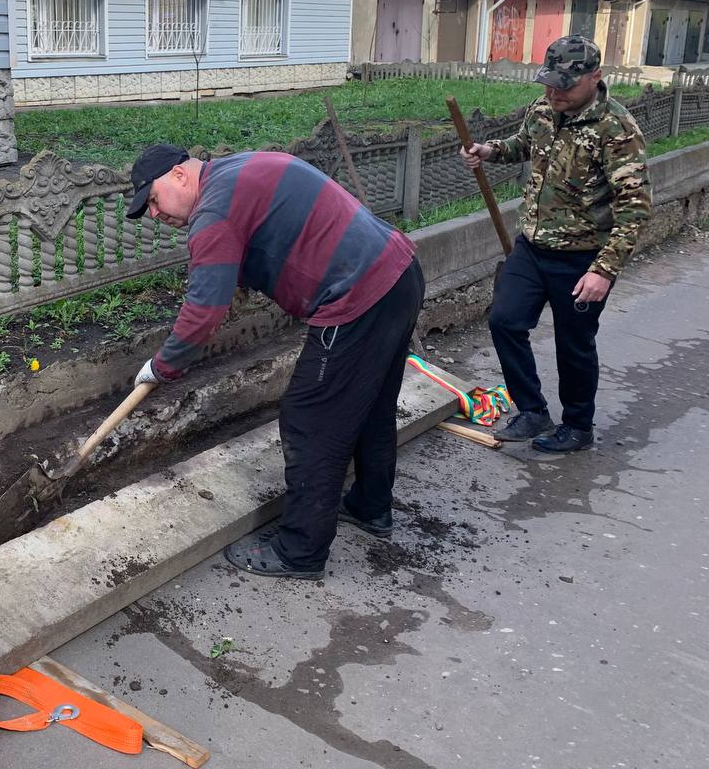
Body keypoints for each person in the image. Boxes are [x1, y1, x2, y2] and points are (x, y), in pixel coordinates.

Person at [128, 143, 424, 580]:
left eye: (152, 200)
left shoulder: (213, 212)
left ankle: (299, 552)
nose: (155, 214)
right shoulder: (241, 169)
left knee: (310, 418)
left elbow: (204, 312)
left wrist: (162, 366)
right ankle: (370, 506)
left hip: (357, 297)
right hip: (398, 272)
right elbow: (263, 241)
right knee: (370, 405)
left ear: (178, 176)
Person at [459, 35, 650, 453]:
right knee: (505, 321)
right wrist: (488, 151)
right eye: (549, 82)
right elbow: (522, 146)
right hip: (533, 246)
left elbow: (635, 208)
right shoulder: (543, 110)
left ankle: (578, 427)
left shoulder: (615, 129)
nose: (554, 92)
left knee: (573, 344)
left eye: (565, 84)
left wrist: (604, 270)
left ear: (595, 77)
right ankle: (532, 410)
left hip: (583, 258)